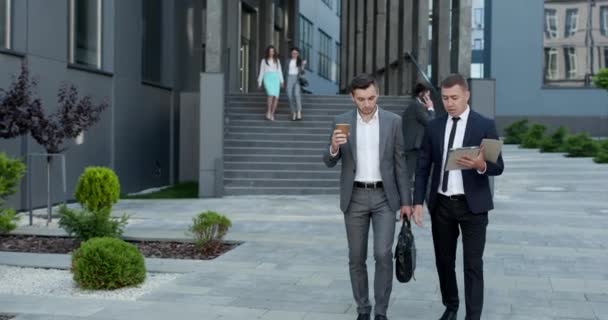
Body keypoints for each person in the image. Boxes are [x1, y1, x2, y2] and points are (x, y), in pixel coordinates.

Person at [411, 74, 504, 320]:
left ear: (466, 95)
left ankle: (472, 316)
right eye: (445, 98)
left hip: (473, 207)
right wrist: (417, 202)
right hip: (441, 205)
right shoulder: (434, 126)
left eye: (454, 97)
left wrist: (480, 165)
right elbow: (422, 167)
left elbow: (498, 166)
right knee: (444, 261)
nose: (449, 103)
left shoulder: (484, 125)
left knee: (473, 265)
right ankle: (451, 306)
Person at [322, 74, 411, 320]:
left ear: (377, 94)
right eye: (361, 99)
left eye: (371, 97)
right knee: (356, 257)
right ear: (353, 98)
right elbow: (329, 161)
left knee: (383, 254)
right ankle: (363, 309)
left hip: (385, 197)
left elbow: (400, 164)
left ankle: (381, 311)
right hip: (355, 197)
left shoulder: (393, 122)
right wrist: (333, 147)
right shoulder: (341, 121)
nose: (367, 103)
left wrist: (406, 201)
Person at [402, 83, 436, 185]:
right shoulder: (416, 106)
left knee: (418, 176)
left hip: (414, 146)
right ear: (421, 94)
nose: (429, 98)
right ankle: (402, 199)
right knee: (408, 176)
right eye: (427, 96)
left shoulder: (416, 106)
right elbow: (431, 123)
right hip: (414, 147)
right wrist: (431, 108)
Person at [257, 45, 284, 121]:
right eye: (270, 51)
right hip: (267, 78)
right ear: (268, 52)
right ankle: (268, 111)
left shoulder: (277, 60)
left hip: (276, 78)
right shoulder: (264, 60)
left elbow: (279, 71)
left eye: (272, 51)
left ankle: (272, 113)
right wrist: (259, 82)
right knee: (270, 95)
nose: (271, 52)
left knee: (276, 97)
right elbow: (261, 72)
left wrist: (282, 81)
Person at [286, 47, 306, 121]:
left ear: (298, 54)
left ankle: (299, 111)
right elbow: (285, 70)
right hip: (289, 78)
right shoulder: (288, 61)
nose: (294, 54)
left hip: (297, 78)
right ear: (291, 54)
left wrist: (303, 66)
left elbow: (303, 73)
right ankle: (293, 111)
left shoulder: (300, 61)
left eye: (296, 53)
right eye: (293, 53)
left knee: (297, 94)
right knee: (289, 94)